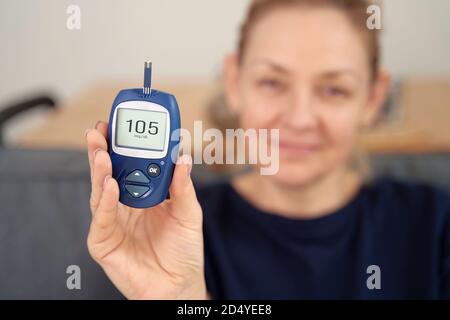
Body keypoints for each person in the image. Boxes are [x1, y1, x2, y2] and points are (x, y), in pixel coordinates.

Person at [84, 0, 450, 299]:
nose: (300, 118)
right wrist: (179, 298)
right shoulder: (159, 233)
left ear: (373, 98)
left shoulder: (437, 227)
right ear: (234, 82)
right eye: (272, 82)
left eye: (334, 89)